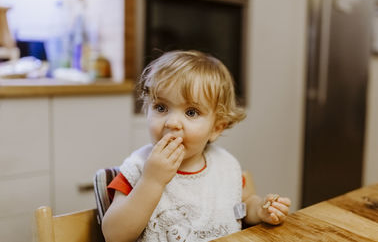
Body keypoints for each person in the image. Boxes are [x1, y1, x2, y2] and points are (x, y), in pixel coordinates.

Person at [101, 50, 291, 242]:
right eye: (161, 107)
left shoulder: (224, 166)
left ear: (216, 128)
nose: (172, 122)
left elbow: (244, 203)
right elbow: (114, 235)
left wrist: (259, 210)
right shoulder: (138, 168)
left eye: (191, 112)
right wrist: (152, 181)